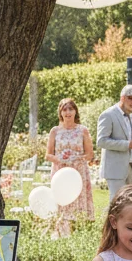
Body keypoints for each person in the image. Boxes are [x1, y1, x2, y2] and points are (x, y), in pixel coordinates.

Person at [45, 97, 95, 238]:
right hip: (60, 171)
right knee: (62, 200)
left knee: (78, 199)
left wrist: (78, 159)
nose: (67, 112)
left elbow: (90, 154)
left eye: (70, 109)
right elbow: (48, 154)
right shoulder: (55, 131)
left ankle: (79, 232)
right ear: (60, 112)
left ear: (75, 112)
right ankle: (62, 231)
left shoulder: (82, 130)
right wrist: (59, 160)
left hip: (78, 171)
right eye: (64, 109)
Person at [96, 85, 132, 203]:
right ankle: (111, 222)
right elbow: (101, 141)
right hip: (115, 169)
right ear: (122, 98)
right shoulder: (108, 114)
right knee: (116, 203)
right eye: (131, 98)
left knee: (130, 203)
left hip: (131, 168)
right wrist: (128, 144)